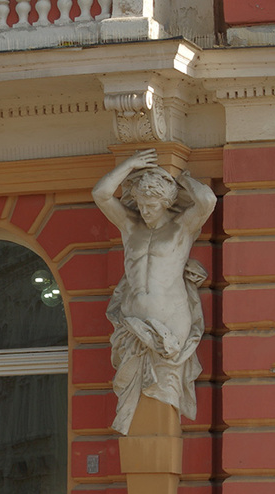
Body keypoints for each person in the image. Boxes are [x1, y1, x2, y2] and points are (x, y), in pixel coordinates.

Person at [91, 148, 216, 435]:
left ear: (166, 202)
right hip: (132, 324)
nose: (145, 211)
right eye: (142, 204)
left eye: (152, 205)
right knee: (133, 404)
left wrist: (181, 178)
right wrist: (131, 164)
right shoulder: (130, 226)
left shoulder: (180, 229)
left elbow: (207, 200)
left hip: (169, 324)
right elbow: (101, 194)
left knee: (161, 398)